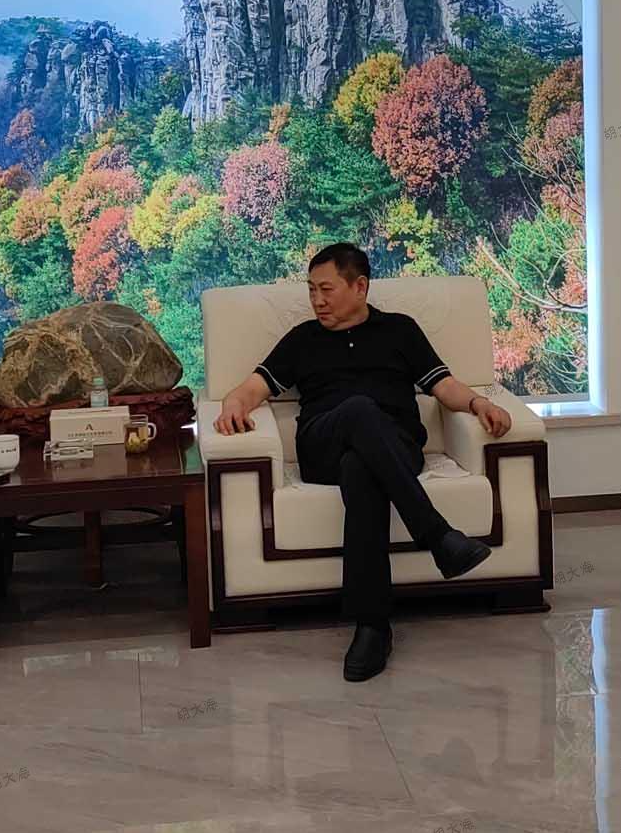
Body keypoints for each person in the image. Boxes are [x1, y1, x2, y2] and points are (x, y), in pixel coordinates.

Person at [213, 243, 514, 682]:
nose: (317, 300)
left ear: (360, 287)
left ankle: (373, 627)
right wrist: (232, 405)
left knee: (362, 469)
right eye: (311, 290)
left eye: (327, 289)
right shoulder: (303, 339)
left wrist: (479, 403)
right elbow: (251, 389)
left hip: (395, 448)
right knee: (358, 410)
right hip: (322, 446)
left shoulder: (400, 331)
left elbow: (444, 386)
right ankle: (437, 536)